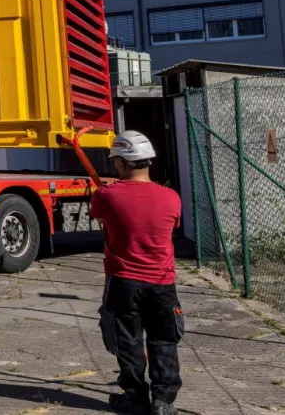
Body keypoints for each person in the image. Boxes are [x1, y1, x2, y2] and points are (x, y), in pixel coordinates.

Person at [88, 130, 185, 415]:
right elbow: (172, 227)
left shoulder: (106, 196)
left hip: (123, 282)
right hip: (162, 283)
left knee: (127, 341)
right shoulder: (171, 198)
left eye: (116, 162)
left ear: (122, 164)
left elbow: (99, 214)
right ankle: (163, 402)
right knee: (164, 340)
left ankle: (135, 397)